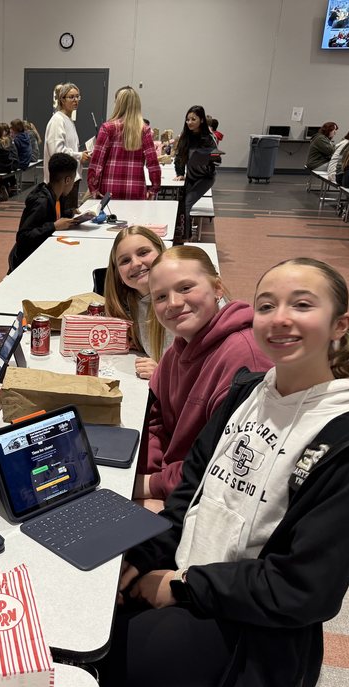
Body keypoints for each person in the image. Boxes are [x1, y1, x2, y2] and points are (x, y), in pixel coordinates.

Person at [101, 257, 349, 687]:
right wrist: (143, 561)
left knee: (97, 666)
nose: (281, 317)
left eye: (302, 304)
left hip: (253, 630)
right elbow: (188, 499)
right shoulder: (246, 393)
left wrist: (179, 587)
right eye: (268, 305)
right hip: (195, 577)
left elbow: (304, 590)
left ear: (339, 325)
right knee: (89, 605)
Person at [135, 246, 271, 505]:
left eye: (186, 288)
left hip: (212, 496)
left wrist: (154, 485)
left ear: (218, 288)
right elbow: (155, 418)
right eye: (160, 296)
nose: (173, 303)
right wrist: (150, 470)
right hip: (178, 482)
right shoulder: (177, 351)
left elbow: (231, 464)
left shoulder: (245, 359)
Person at [102, 226, 171, 380]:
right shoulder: (130, 303)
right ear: (118, 274)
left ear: (162, 253)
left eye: (143, 253)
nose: (135, 264)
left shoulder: (181, 304)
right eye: (125, 260)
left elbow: (207, 368)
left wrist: (164, 373)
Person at [8, 152, 80, 272]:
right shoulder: (41, 201)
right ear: (67, 180)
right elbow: (23, 237)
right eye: (74, 179)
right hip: (25, 264)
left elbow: (53, 217)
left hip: (42, 255)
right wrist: (53, 226)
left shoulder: (57, 196)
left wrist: (71, 213)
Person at [87, 86, 161, 201]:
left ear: (118, 104)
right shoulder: (144, 130)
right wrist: (154, 188)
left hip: (108, 189)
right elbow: (153, 163)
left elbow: (96, 163)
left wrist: (93, 187)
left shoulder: (107, 128)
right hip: (136, 188)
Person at [173, 105, 219, 243]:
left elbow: (216, 158)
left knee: (187, 204)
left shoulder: (208, 138)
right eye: (187, 119)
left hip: (205, 177)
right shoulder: (185, 137)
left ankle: (187, 238)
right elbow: (179, 157)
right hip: (191, 176)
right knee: (181, 205)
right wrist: (180, 173)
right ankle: (182, 233)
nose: (190, 122)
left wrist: (207, 158)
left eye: (193, 119)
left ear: (202, 120)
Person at [43, 83, 90, 210]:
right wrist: (79, 155)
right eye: (71, 97)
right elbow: (56, 152)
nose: (75, 100)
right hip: (61, 183)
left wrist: (81, 154)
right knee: (64, 220)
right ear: (62, 100)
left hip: (70, 180)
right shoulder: (57, 120)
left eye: (77, 97)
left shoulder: (68, 120)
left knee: (70, 218)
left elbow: (68, 148)